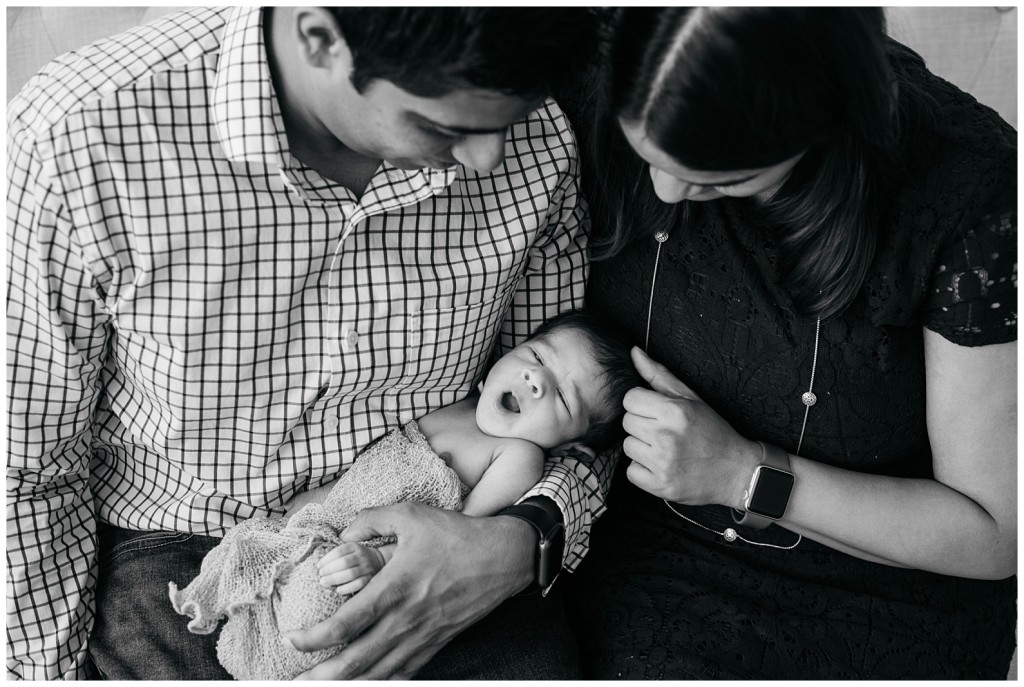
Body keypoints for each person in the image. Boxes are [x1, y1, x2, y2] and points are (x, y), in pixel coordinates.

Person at [6, 7, 606, 680]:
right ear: (319, 38)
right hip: (179, 556)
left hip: (438, 534)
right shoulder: (79, 140)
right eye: (445, 125)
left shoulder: (533, 140)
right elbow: (25, 468)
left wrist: (524, 538)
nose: (491, 157)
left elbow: (576, 409)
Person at [563, 7, 1017, 680]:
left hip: (873, 594)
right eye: (644, 151)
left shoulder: (970, 197)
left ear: (829, 124)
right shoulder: (598, 65)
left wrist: (745, 473)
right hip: (630, 544)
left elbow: (993, 533)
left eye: (720, 178)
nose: (664, 190)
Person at [168, 309, 641, 680]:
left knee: (318, 599)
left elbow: (456, 537)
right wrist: (319, 501)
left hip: (380, 554)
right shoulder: (458, 401)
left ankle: (279, 660)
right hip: (338, 519)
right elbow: (371, 465)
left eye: (561, 397)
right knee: (255, 555)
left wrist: (379, 561)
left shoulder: (519, 458)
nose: (535, 380)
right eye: (536, 357)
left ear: (572, 445)